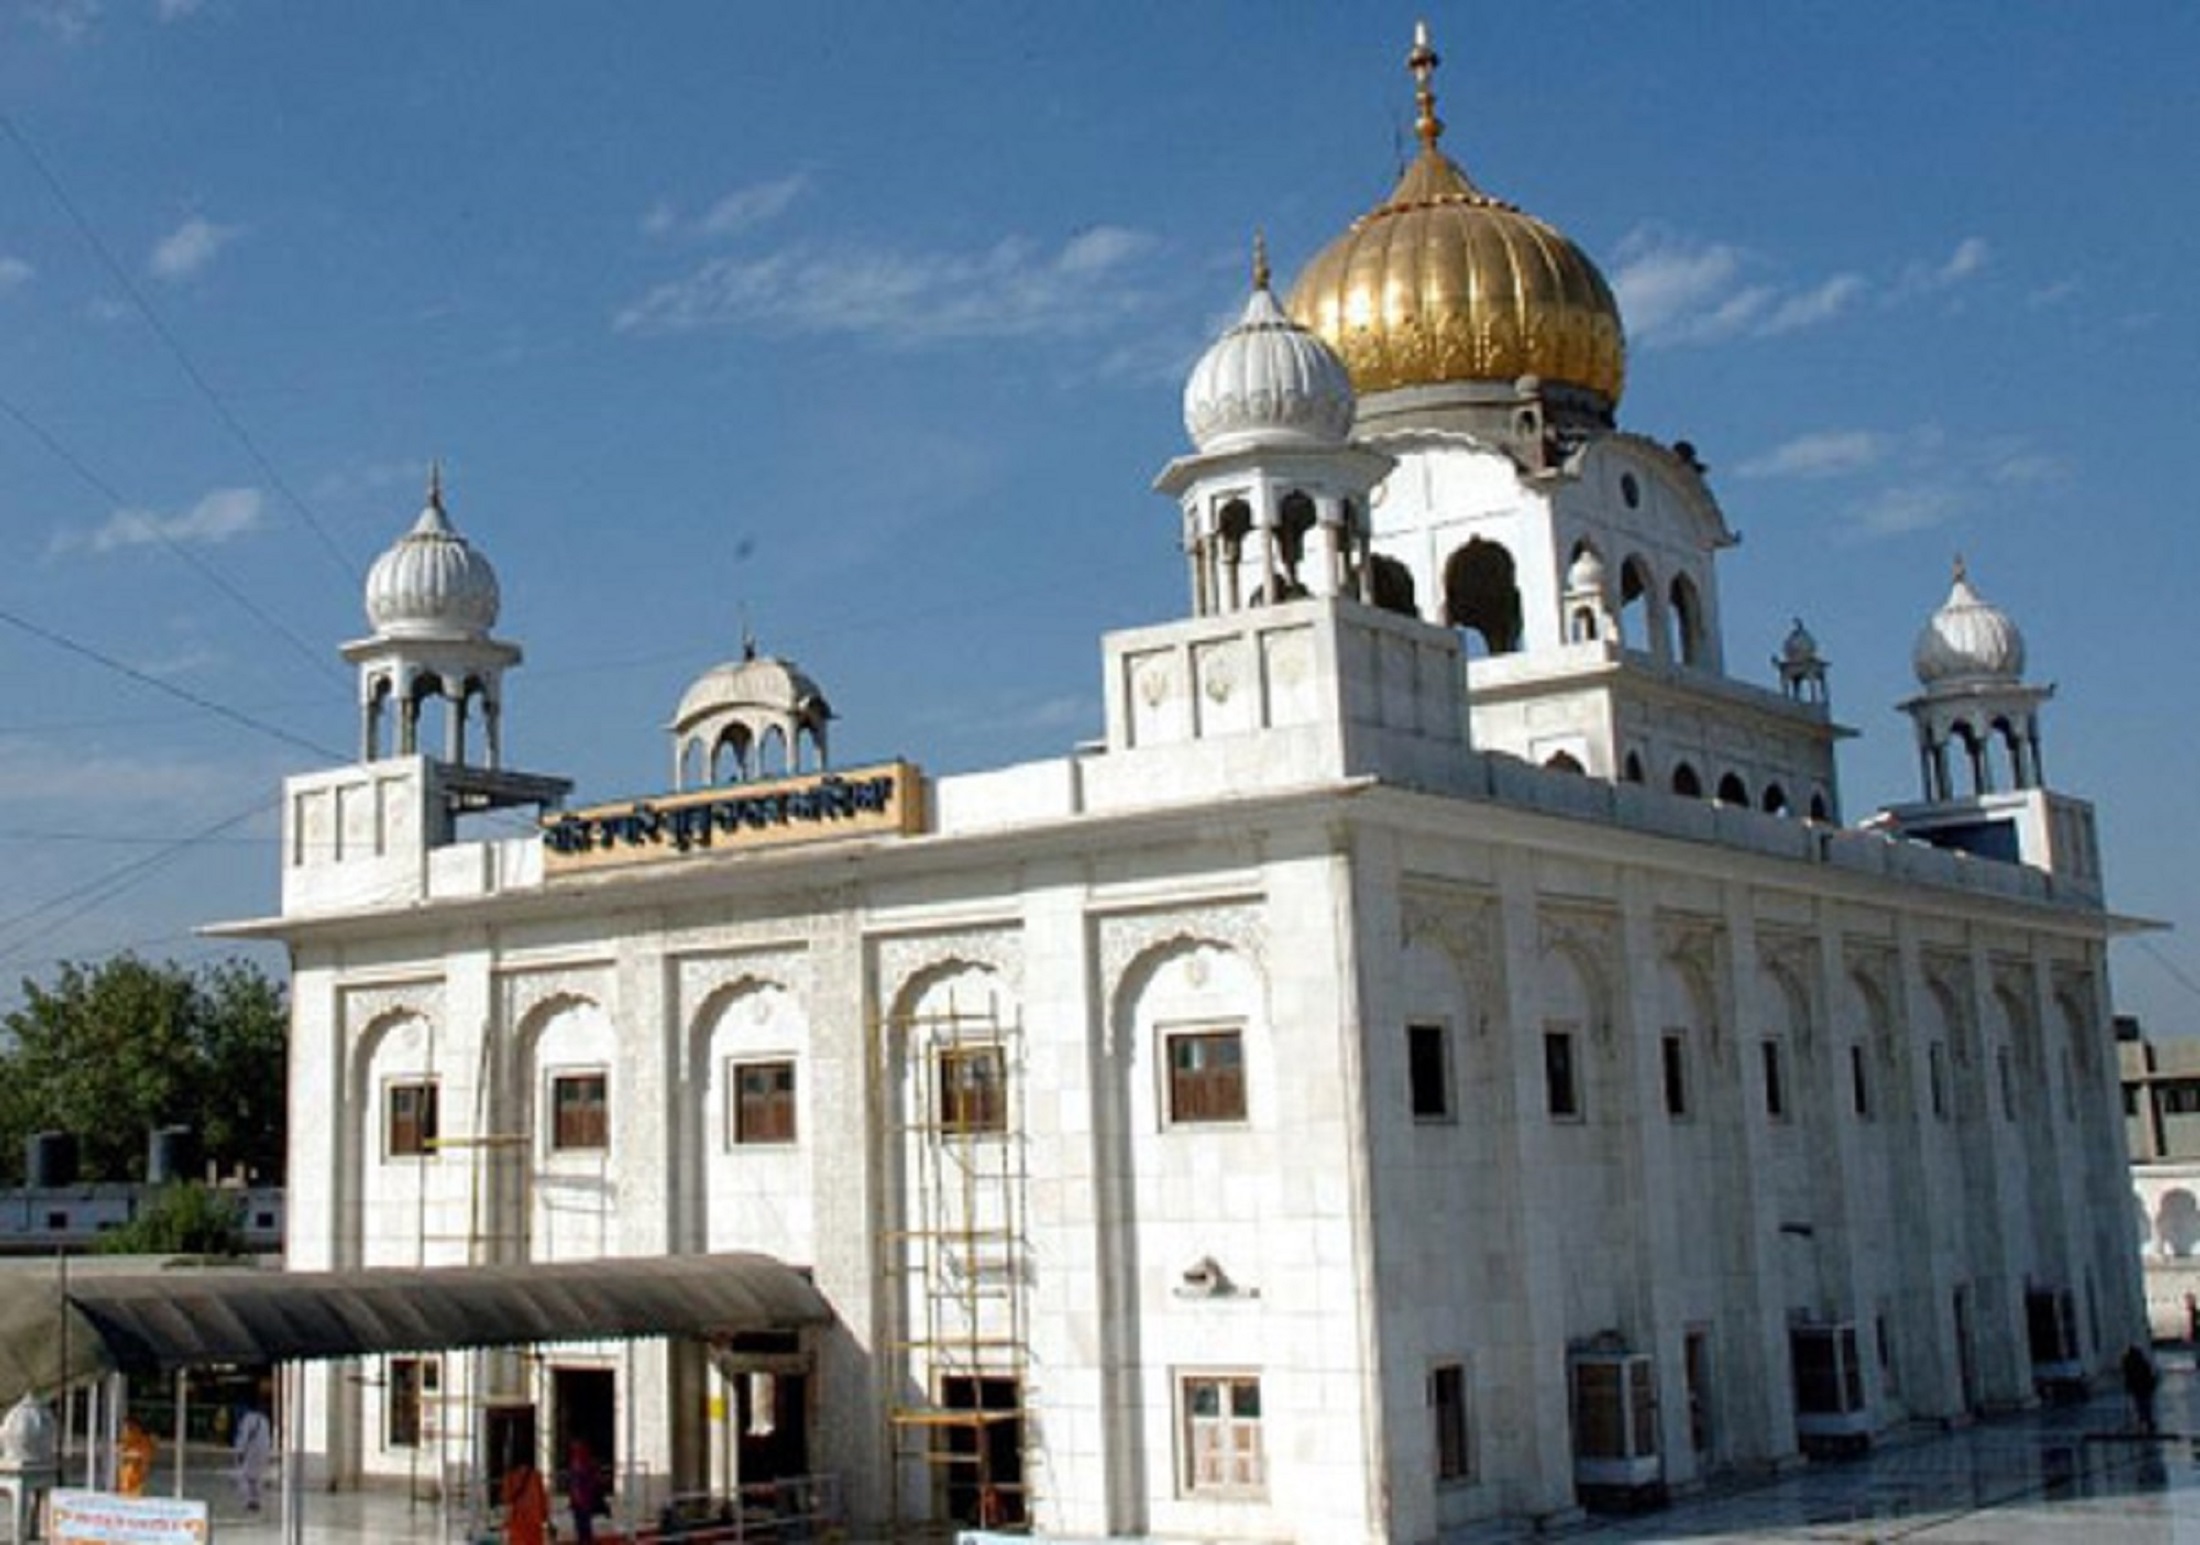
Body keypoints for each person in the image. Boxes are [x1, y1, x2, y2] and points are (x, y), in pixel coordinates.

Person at [232, 1398, 273, 1511]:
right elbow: (268, 1438)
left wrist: (240, 1451)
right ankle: (257, 1500)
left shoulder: (248, 1418)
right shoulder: (265, 1420)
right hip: (263, 1452)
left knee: (244, 1477)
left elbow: (244, 1436)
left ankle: (249, 1501)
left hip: (251, 1451)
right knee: (258, 1477)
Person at [563, 1438, 604, 1544]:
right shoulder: (584, 1463)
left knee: (583, 1527)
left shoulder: (579, 1464)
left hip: (581, 1501)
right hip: (583, 1501)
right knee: (584, 1527)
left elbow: (575, 1484)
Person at [501, 1460, 549, 1545]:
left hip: (518, 1522)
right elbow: (543, 1498)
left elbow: (506, 1499)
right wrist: (545, 1516)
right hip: (534, 1521)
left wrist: (506, 1522)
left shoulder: (510, 1477)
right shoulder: (536, 1476)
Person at [2123, 1343, 2161, 1435]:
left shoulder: (2129, 1363)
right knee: (2145, 1406)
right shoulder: (2142, 1363)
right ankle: (2147, 1422)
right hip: (2144, 1388)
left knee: (2140, 1405)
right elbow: (2148, 1375)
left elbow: (2128, 1376)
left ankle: (2143, 1422)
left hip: (2138, 1388)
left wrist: (2128, 1386)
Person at [117, 1416, 156, 1497]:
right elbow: (120, 1449)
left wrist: (125, 1454)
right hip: (126, 1481)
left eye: (129, 1428)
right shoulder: (127, 1440)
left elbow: (143, 1455)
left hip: (137, 1482)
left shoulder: (144, 1441)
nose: (125, 1432)